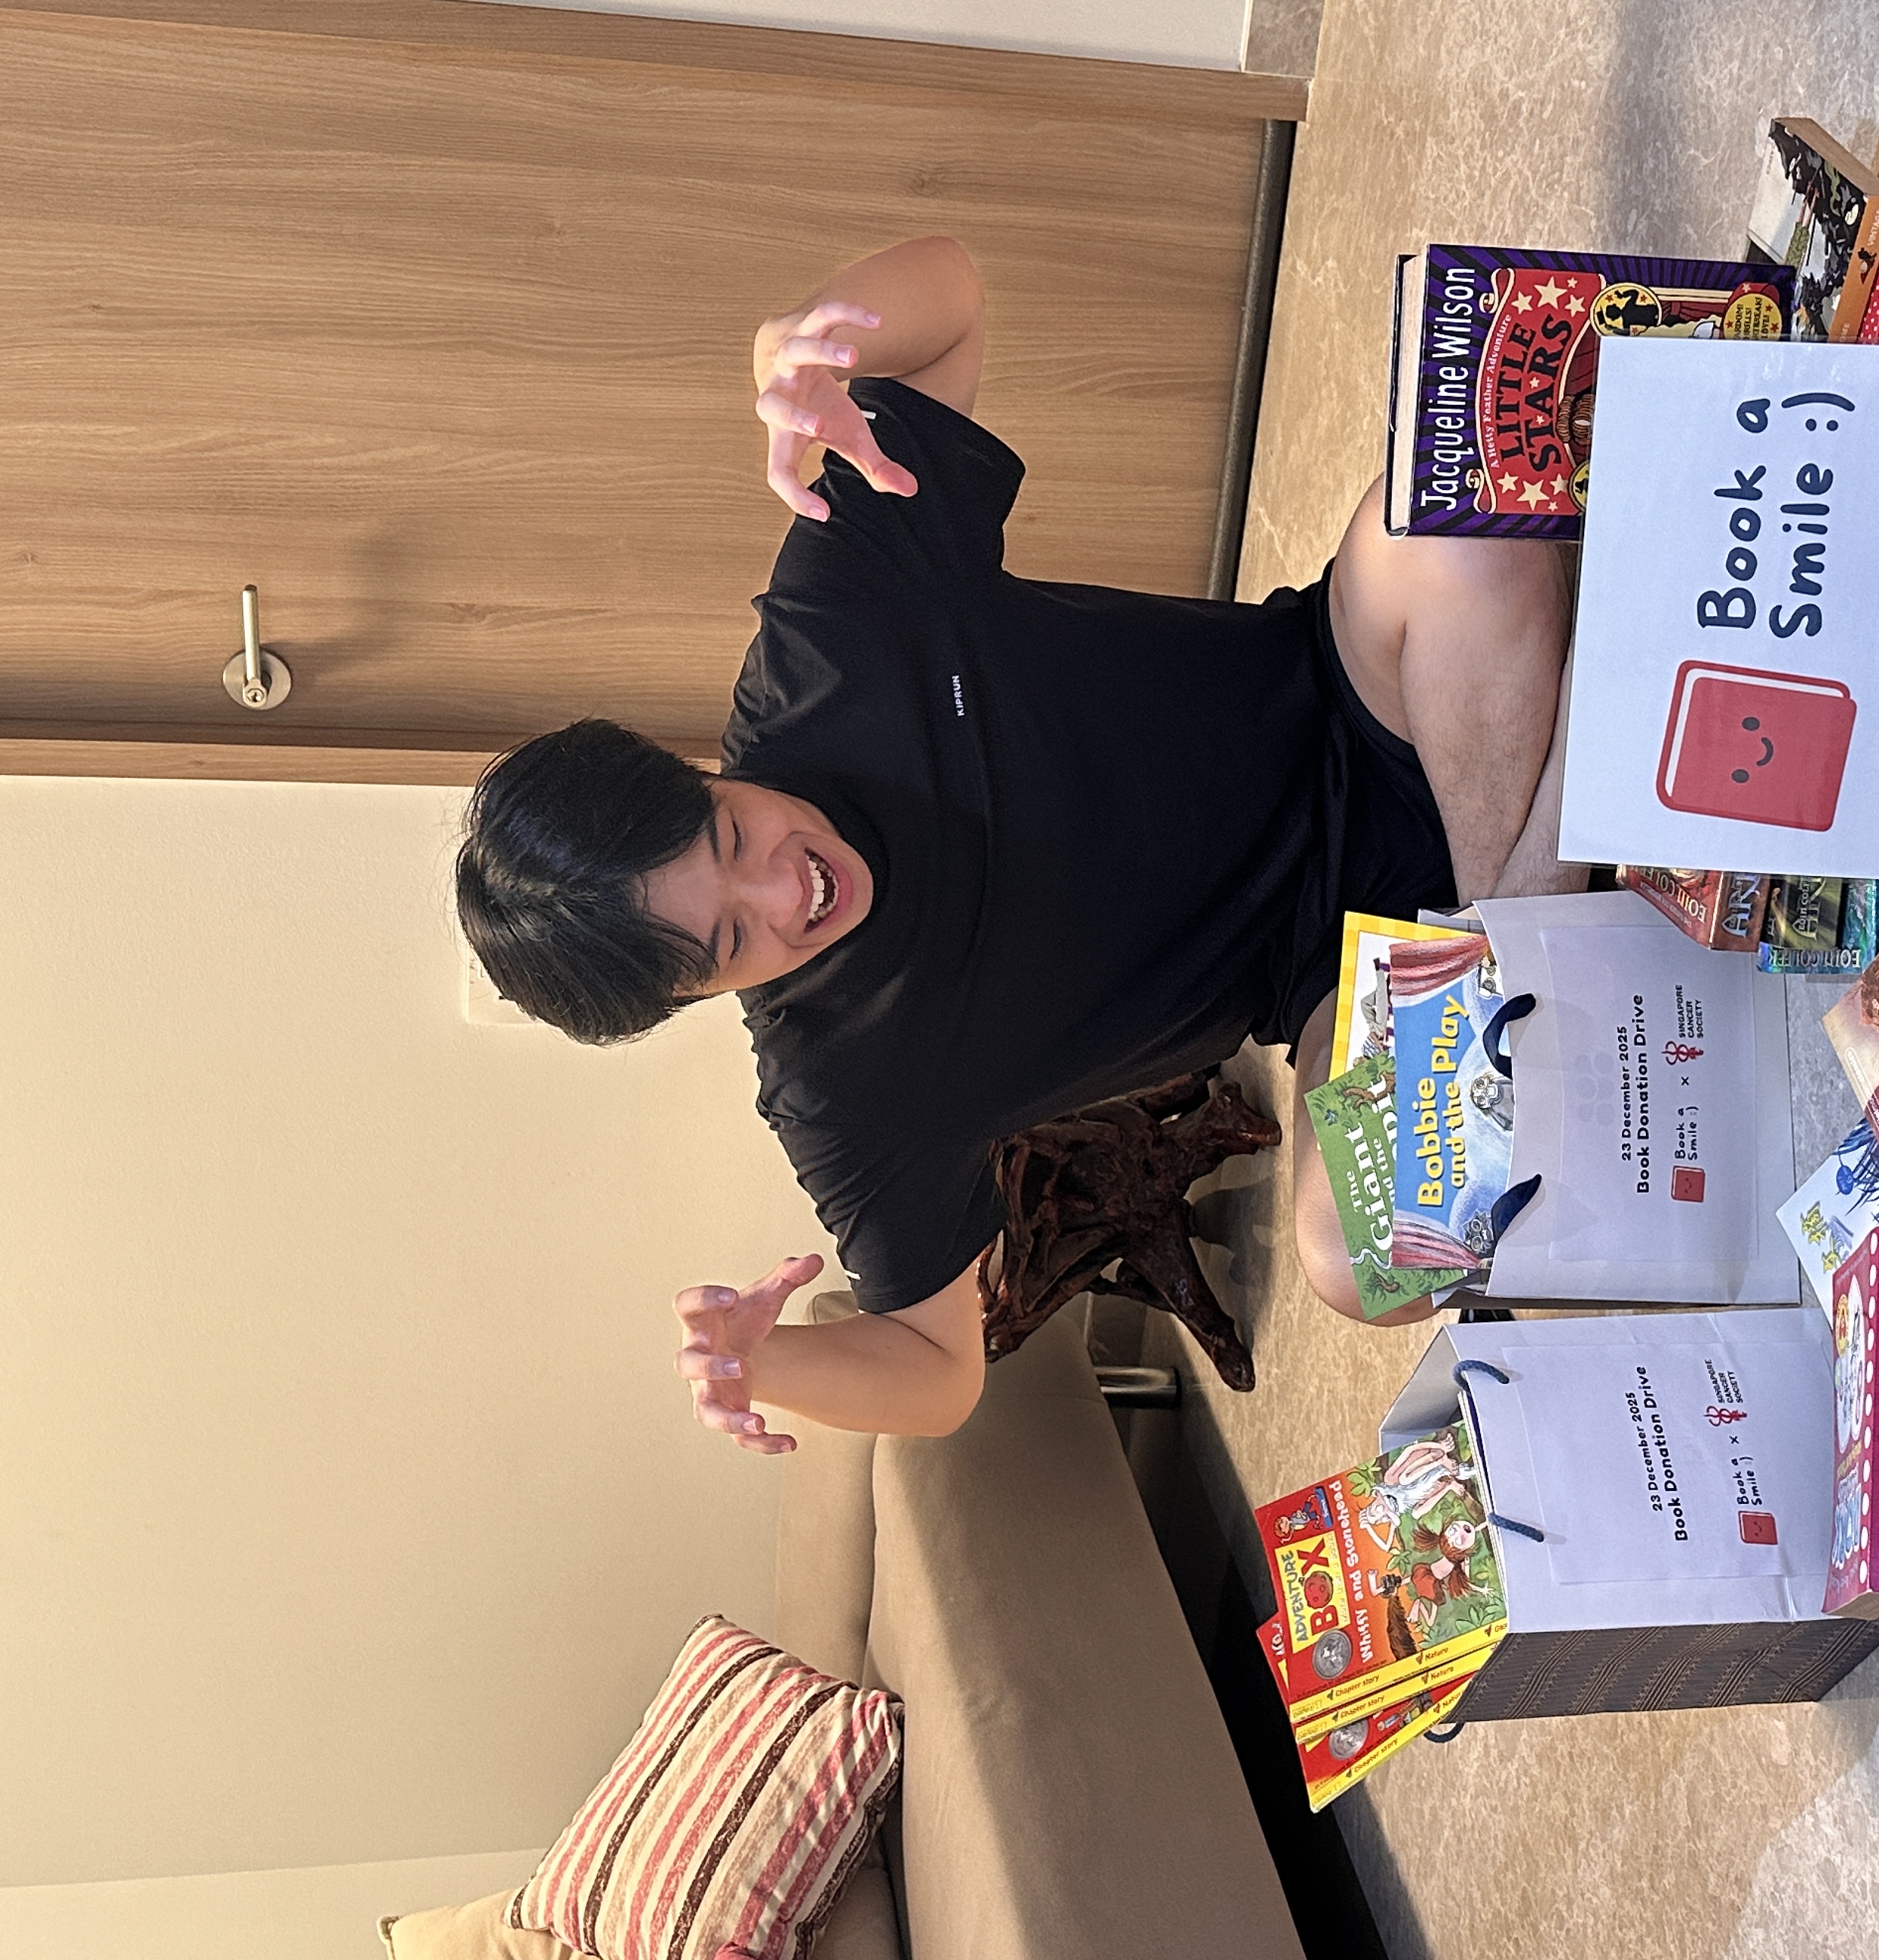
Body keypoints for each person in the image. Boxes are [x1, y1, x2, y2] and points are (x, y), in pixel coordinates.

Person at [454, 236, 1583, 1456]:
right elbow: (937, 1376)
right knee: (1362, 1260)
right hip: (1347, 980)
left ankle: (1541, 916)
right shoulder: (844, 1087)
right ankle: (1560, 873)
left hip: (1355, 686)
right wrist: (772, 1359)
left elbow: (948, 301)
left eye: (731, 829)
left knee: (1447, 516)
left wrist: (803, 340)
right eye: (734, 940)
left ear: (696, 771)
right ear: (697, 994)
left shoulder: (835, 632)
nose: (788, 884)